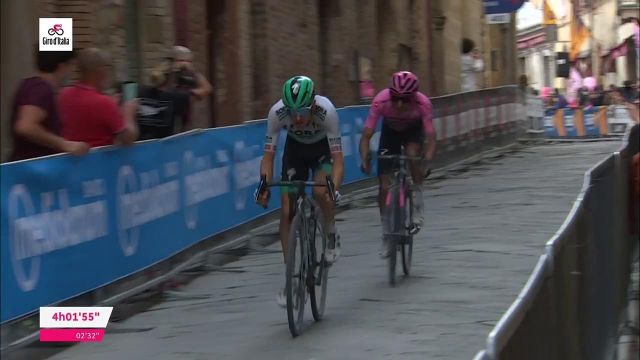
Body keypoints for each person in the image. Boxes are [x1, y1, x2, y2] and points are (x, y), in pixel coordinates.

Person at [255, 76, 344, 307]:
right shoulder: (277, 113)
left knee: (321, 192)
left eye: (303, 112)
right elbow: (268, 157)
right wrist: (263, 186)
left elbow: (338, 161)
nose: (296, 118)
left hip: (322, 149)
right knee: (286, 210)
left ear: (313, 104)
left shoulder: (328, 112)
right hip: (295, 151)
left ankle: (331, 232)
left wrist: (334, 189)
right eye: (292, 111)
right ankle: (290, 276)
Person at [359, 71, 437, 257]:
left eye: (405, 99)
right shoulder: (381, 100)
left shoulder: (423, 103)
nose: (400, 104)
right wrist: (364, 159)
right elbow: (366, 136)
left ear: (414, 97)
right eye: (396, 99)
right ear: (390, 95)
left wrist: (426, 161)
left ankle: (417, 198)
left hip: (413, 130)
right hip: (390, 132)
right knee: (384, 185)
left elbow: (432, 139)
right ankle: (387, 233)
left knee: (412, 154)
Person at [9, 49, 89, 161]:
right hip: (34, 170)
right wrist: (65, 144)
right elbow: (25, 126)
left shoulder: (29, 85)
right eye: (71, 65)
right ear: (62, 67)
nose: (72, 72)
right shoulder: (41, 89)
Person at [59, 48, 139, 147]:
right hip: (99, 160)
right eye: (107, 68)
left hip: (69, 160)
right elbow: (128, 139)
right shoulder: (103, 102)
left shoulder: (63, 94)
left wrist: (112, 108)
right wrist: (128, 114)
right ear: (101, 71)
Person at [136, 64, 191, 140]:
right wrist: (193, 73)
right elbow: (205, 89)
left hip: (140, 146)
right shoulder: (176, 97)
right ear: (170, 80)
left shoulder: (139, 91)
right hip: (164, 148)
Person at [165, 46, 212, 130]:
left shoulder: (191, 75)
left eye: (188, 61)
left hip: (185, 116)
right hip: (166, 115)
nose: (185, 63)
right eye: (181, 60)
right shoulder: (166, 74)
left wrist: (190, 92)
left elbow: (207, 88)